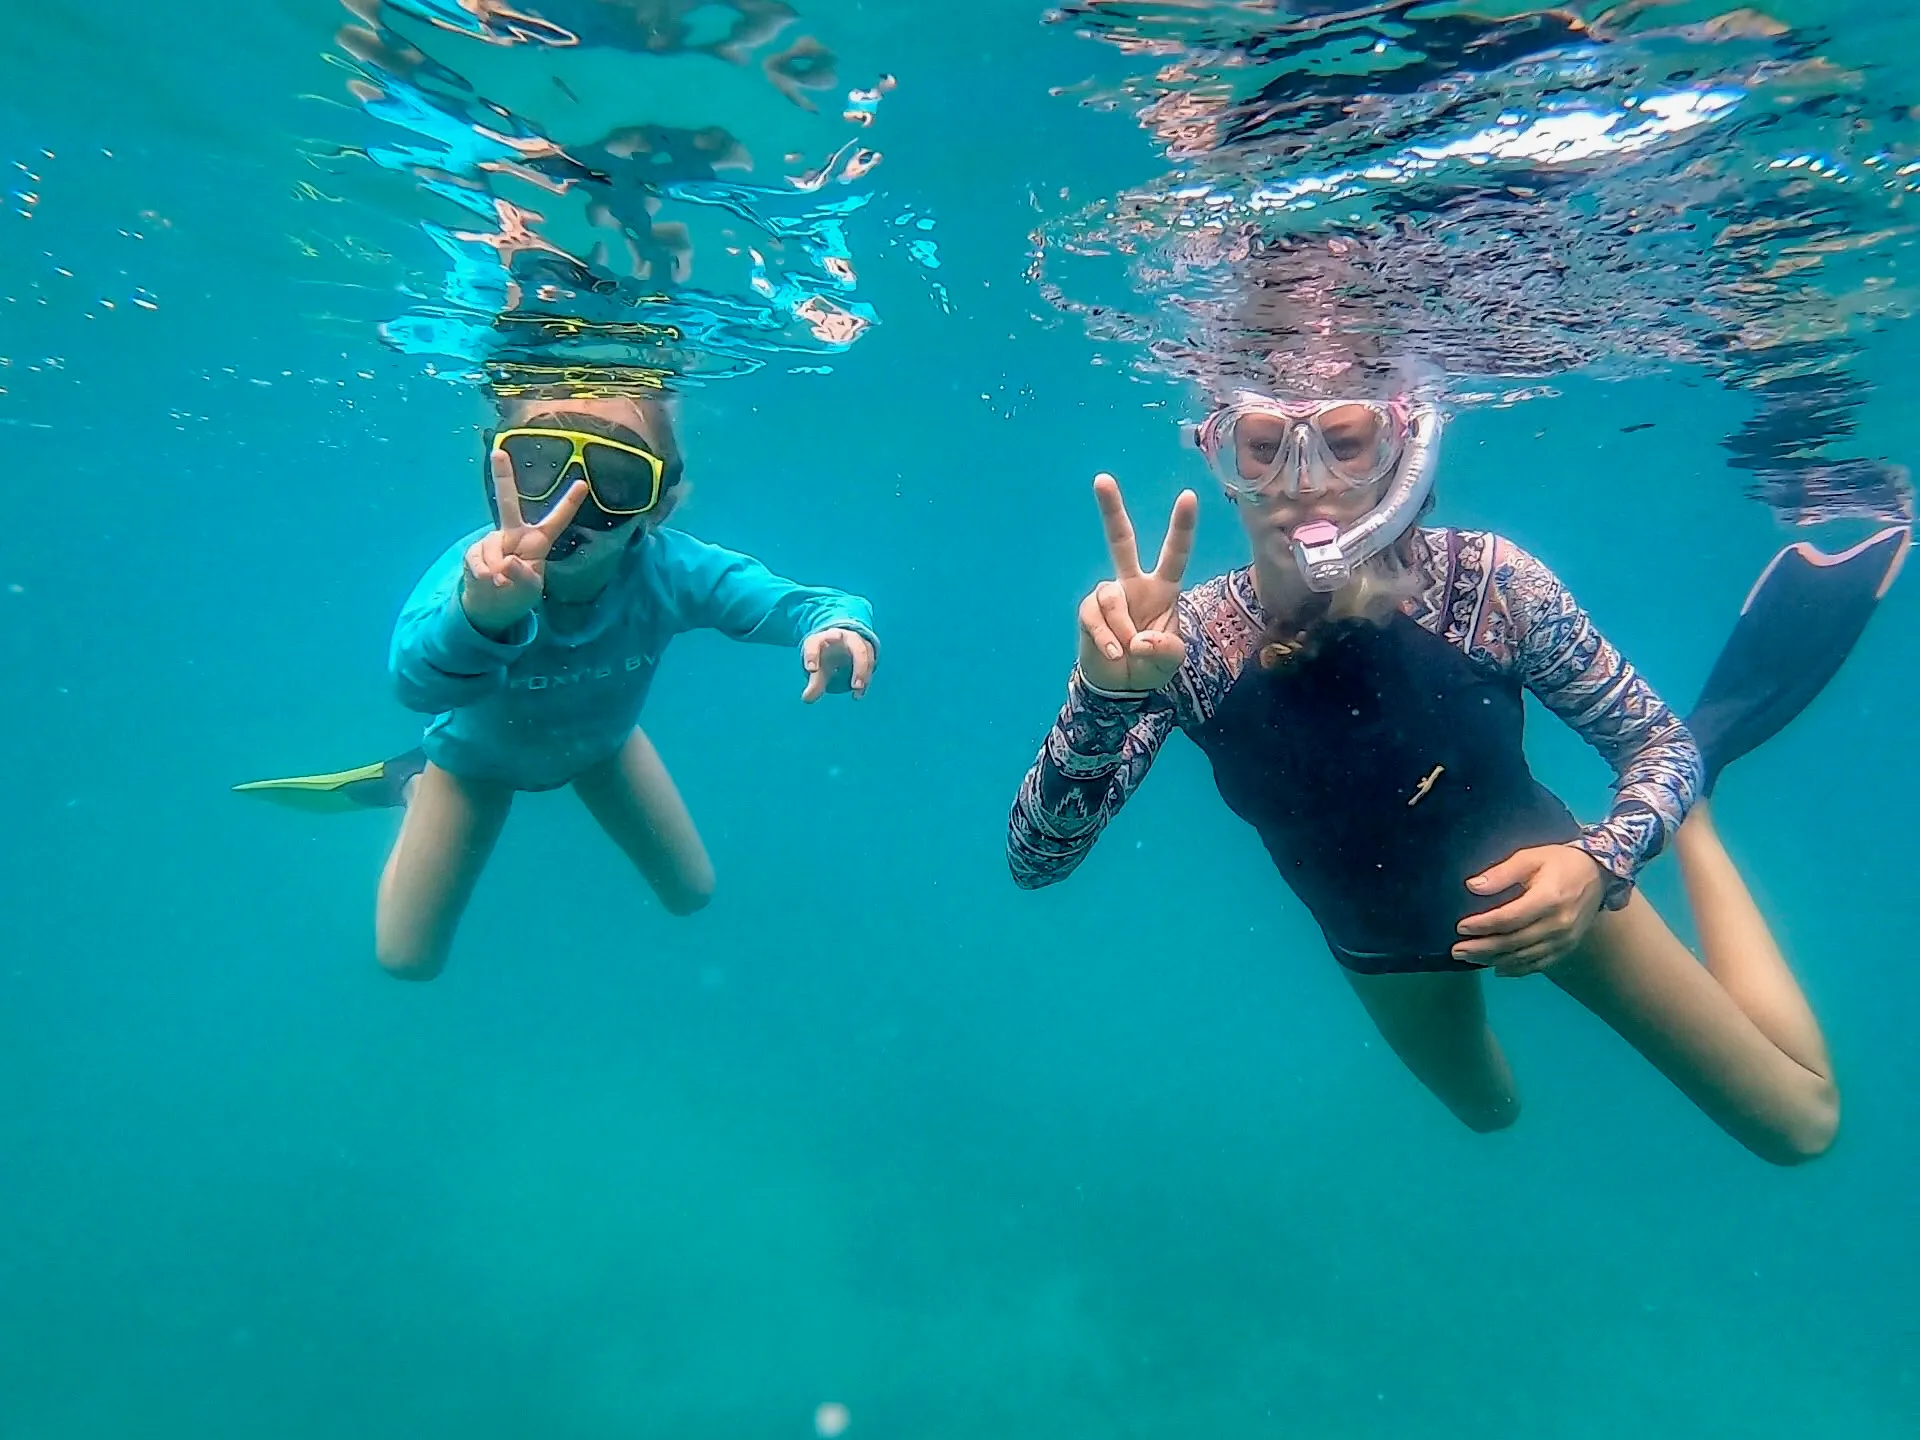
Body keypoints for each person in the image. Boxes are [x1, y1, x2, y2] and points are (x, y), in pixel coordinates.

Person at [1007, 373, 1907, 1164]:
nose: (1304, 482)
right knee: (1492, 1116)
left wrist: (1602, 862)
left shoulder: (1488, 583)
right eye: (1264, 449)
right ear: (1218, 455)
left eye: (1346, 444)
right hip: (1379, 943)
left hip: (1552, 890)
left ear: (1402, 453)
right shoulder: (1185, 645)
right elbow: (1035, 864)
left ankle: (1700, 818)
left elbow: (1658, 745)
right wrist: (1103, 695)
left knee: (1800, 1128)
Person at [239, 389, 878, 980]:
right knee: (407, 959)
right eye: (539, 465)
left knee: (692, 894)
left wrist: (837, 626)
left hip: (605, 745)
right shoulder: (479, 572)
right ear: (497, 480)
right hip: (472, 763)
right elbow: (417, 687)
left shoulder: (673, 568)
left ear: (653, 508)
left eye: (616, 478)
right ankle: (410, 781)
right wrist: (482, 615)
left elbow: (805, 602)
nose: (572, 502)